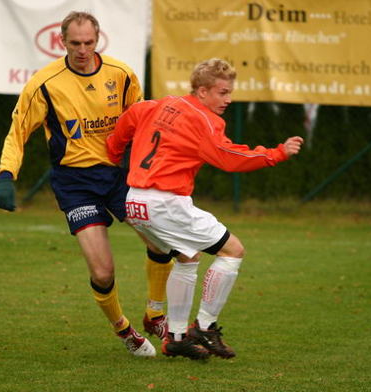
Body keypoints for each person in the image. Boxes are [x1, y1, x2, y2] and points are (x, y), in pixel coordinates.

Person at [0, 11, 173, 357]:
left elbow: (142, 123)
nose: (82, 50)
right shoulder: (44, 84)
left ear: (98, 39)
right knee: (103, 272)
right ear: (62, 42)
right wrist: (5, 176)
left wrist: (152, 165)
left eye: (89, 42)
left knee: (162, 241)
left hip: (120, 176)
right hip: (75, 183)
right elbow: (17, 133)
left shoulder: (121, 75)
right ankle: (124, 329)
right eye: (75, 43)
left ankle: (155, 313)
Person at [107, 58, 304, 360]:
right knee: (233, 251)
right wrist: (277, 153)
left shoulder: (159, 105)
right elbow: (228, 157)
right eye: (222, 92)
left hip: (134, 201)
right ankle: (205, 327)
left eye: (229, 92)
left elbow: (130, 118)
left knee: (187, 258)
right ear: (202, 91)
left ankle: (175, 338)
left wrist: (115, 150)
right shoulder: (204, 119)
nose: (228, 99)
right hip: (165, 202)